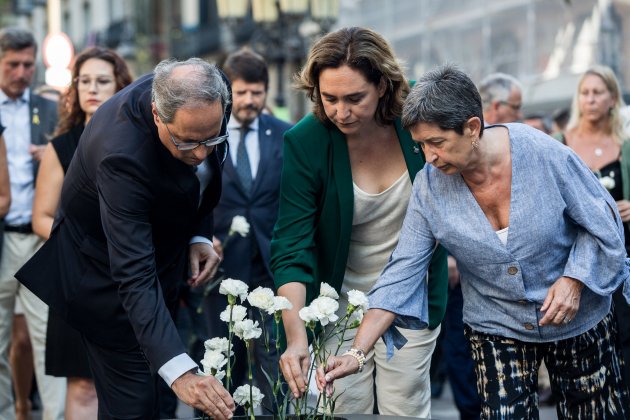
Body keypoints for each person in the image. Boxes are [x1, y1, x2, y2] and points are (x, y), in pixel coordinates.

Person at [320, 64, 630, 418]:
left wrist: (575, 279)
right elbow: (402, 270)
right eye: (421, 145)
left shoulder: (546, 154)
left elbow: (602, 225)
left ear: (472, 128)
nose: (430, 157)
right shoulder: (429, 186)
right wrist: (357, 352)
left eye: (437, 142)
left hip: (580, 316)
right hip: (496, 324)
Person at [15, 58, 235, 419]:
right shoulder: (121, 157)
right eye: (188, 142)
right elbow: (133, 275)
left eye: (212, 138)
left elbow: (202, 173)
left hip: (163, 259)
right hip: (105, 280)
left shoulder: (210, 90)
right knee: (134, 406)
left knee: (159, 401)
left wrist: (199, 233)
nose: (200, 153)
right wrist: (181, 373)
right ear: (156, 113)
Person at [270, 27, 448, 417]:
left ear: (383, 85)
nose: (340, 112)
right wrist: (296, 337)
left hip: (410, 296)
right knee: (344, 407)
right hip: (337, 301)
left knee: (404, 407)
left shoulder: (421, 112)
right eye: (328, 98)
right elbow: (293, 244)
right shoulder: (306, 141)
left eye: (354, 98)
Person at [31, 47, 133, 420]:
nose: (92, 88)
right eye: (84, 81)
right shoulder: (61, 147)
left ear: (120, 86)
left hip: (129, 278)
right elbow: (41, 216)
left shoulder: (140, 141)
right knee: (82, 383)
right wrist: (83, 245)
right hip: (78, 278)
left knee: (131, 379)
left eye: (102, 81)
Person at [203, 47, 291, 413]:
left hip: (272, 268)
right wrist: (202, 237)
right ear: (227, 93)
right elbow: (194, 194)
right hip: (222, 270)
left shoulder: (285, 134)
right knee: (225, 363)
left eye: (257, 92)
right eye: (241, 92)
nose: (250, 100)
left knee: (274, 362)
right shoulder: (208, 134)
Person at [0, 27, 65, 420]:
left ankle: (56, 416)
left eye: (28, 64)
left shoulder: (50, 110)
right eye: (13, 64)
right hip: (2, 239)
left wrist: (53, 158)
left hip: (41, 238)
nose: (22, 72)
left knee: (47, 338)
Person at [559, 64, 630, 391]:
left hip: (623, 250)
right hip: (577, 254)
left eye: (597, 92)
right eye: (584, 93)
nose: (590, 99)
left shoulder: (625, 143)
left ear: (612, 98)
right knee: (588, 336)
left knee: (627, 330)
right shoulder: (561, 142)